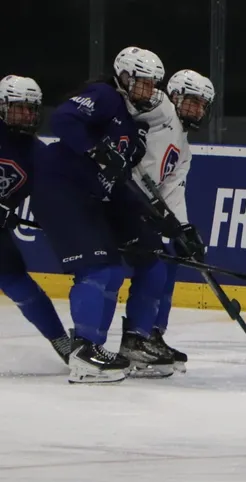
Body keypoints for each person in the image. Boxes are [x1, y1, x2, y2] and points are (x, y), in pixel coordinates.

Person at [31, 46, 174, 383]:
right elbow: (63, 118)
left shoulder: (132, 127)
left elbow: (122, 180)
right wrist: (94, 149)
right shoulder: (105, 96)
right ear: (123, 77)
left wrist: (154, 214)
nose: (148, 90)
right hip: (61, 191)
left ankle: (92, 346)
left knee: (111, 270)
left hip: (88, 199)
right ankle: (84, 352)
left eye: (153, 84)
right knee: (95, 267)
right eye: (141, 82)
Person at [132, 69, 216, 372]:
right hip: (120, 203)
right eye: (192, 102)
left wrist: (183, 230)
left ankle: (152, 334)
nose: (197, 110)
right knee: (140, 269)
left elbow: (173, 191)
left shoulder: (185, 148)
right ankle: (124, 338)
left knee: (169, 262)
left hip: (141, 208)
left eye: (202, 105)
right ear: (175, 95)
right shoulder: (161, 111)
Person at [0, 75, 70, 362]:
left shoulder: (36, 153)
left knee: (16, 279)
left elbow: (53, 196)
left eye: (32, 108)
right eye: (20, 107)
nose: (27, 115)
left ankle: (60, 341)